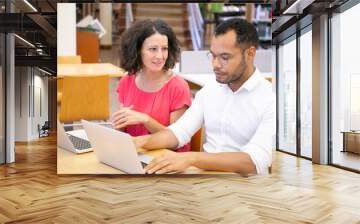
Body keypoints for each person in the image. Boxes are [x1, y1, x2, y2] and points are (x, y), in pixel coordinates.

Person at [134, 18, 276, 175]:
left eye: (224, 57)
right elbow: (179, 131)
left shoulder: (271, 99)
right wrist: (139, 142)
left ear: (250, 54)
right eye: (213, 56)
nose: (215, 64)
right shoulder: (210, 90)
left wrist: (191, 158)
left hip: (244, 189)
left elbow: (254, 162)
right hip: (205, 179)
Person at [111, 19, 192, 152]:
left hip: (166, 158)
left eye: (164, 49)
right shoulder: (127, 80)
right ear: (138, 50)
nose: (160, 56)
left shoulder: (178, 86)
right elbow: (123, 128)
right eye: (153, 49)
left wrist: (145, 119)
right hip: (135, 154)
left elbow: (175, 140)